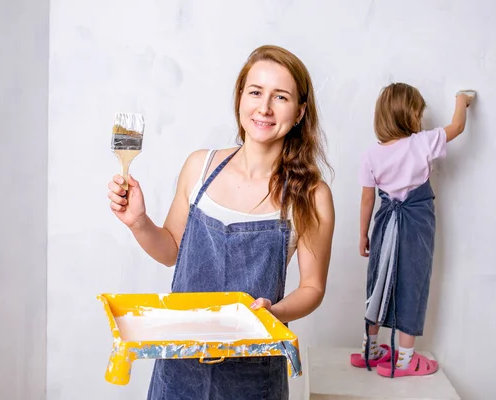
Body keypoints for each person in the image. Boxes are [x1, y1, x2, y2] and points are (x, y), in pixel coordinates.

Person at [107, 45, 335, 399]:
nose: (264, 107)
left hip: (254, 376)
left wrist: (272, 312)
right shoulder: (200, 166)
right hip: (179, 370)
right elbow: (171, 250)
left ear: (301, 111)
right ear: (240, 97)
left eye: (281, 97)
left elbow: (312, 288)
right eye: (255, 92)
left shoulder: (311, 194)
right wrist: (138, 222)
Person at [350, 83, 474, 378]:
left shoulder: (371, 155)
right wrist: (462, 99)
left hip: (383, 225)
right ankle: (405, 359)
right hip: (416, 225)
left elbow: (367, 199)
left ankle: (371, 349)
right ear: (411, 115)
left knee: (378, 282)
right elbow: (457, 126)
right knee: (412, 283)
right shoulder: (422, 143)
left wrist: (363, 234)